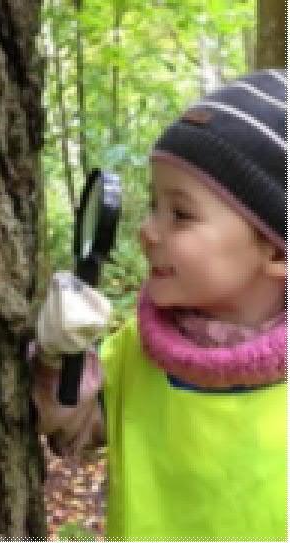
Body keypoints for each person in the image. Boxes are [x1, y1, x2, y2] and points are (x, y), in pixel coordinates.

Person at [32, 69, 287, 541]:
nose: (147, 231)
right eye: (154, 205)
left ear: (275, 251)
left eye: (181, 214)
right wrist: (57, 357)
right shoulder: (134, 353)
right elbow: (66, 426)